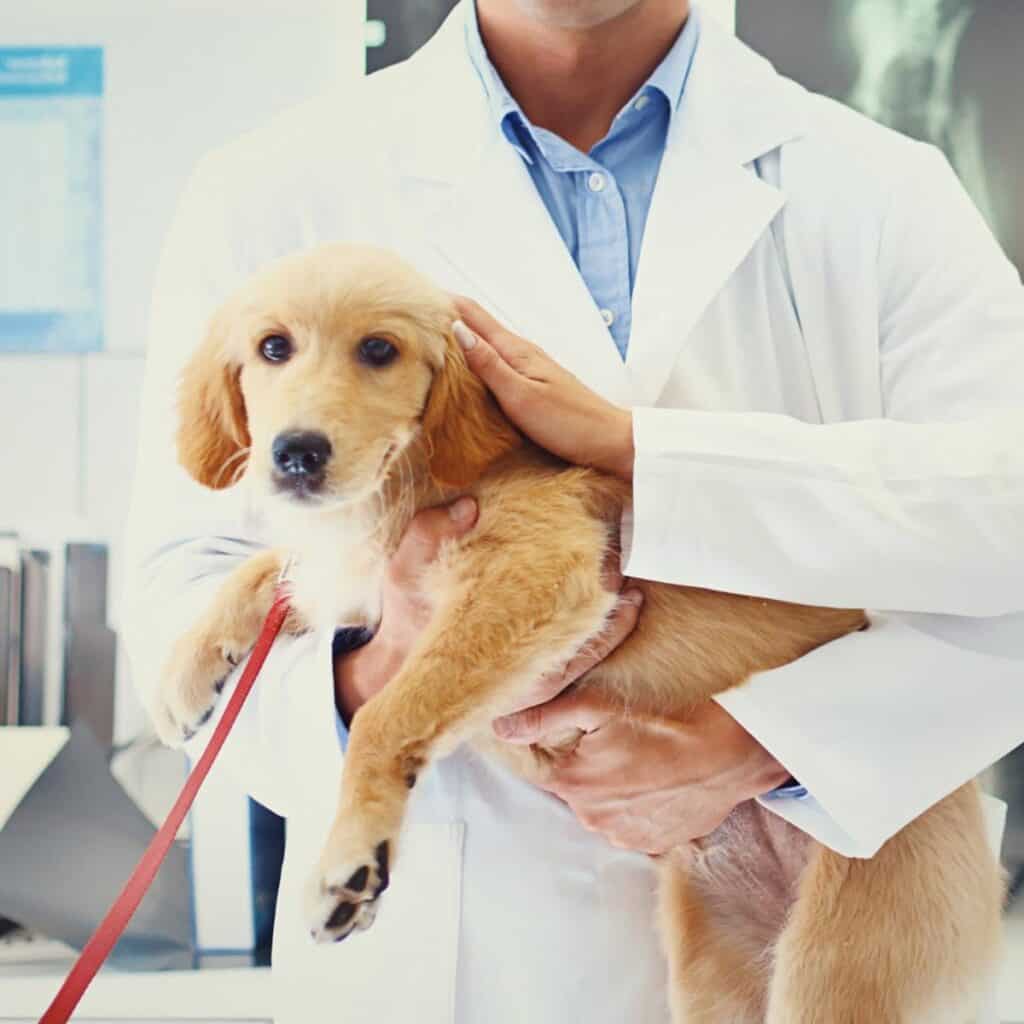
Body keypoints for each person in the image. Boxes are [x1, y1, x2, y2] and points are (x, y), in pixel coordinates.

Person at [123, 1, 1024, 1020]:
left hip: (826, 906)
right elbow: (178, 619)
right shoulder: (269, 188)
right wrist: (389, 663)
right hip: (451, 962)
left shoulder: (880, 186)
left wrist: (781, 744)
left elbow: (1009, 526)